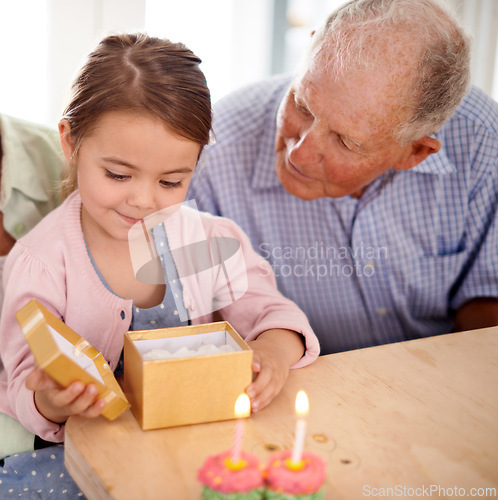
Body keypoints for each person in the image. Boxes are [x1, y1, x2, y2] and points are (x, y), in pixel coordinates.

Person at [0, 33, 319, 497]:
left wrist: (273, 351)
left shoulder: (210, 241)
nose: (144, 200)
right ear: (70, 142)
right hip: (77, 461)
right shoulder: (40, 264)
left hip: (194, 443)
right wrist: (50, 400)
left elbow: (275, 315)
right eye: (118, 175)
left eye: (171, 181)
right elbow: (19, 386)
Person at [188, 0, 498, 355]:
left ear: (414, 152)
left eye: (346, 141)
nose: (299, 153)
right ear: (311, 47)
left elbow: (487, 307)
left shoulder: (480, 138)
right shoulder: (214, 147)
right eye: (302, 105)